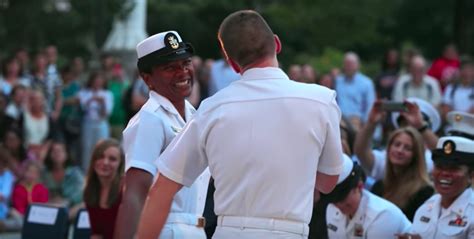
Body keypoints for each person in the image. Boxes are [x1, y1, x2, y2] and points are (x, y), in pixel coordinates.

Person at [137, 10, 343, 239]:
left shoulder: (211, 108)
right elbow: (327, 182)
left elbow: (161, 190)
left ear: (232, 64)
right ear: (276, 43)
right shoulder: (322, 101)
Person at [115, 30, 210, 239]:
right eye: (170, 68)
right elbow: (134, 191)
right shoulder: (150, 119)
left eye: (186, 63)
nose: (182, 72)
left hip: (195, 228)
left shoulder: (194, 114)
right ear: (147, 78)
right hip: (165, 229)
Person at [400, 136, 474, 239]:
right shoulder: (427, 206)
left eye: (453, 168)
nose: (444, 173)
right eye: (439, 166)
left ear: (471, 176)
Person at [323, 154, 411, 238]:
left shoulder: (382, 215)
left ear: (360, 186)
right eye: (334, 200)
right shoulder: (331, 208)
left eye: (342, 198)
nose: (338, 205)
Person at [83, 139, 124, 239]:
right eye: (100, 157)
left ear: (120, 164)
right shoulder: (89, 190)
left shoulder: (125, 190)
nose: (105, 162)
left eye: (112, 159)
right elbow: (96, 234)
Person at [42, 141, 84, 219]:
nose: (57, 154)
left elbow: (80, 194)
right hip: (50, 206)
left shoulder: (75, 173)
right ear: (49, 155)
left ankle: (63, 220)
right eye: (54, 151)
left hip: (71, 207)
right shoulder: (45, 173)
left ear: (66, 154)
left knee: (83, 205)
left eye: (60, 151)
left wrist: (65, 201)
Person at [335, 52, 376, 131]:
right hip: (339, 121)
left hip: (358, 122)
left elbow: (370, 105)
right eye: (347, 64)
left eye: (351, 64)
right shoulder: (337, 81)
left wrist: (364, 124)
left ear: (358, 65)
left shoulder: (367, 83)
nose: (349, 67)